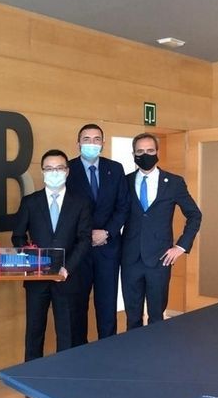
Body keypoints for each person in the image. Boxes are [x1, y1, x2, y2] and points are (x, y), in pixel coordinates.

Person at [11, 149, 92, 367]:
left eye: (59, 168)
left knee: (67, 332)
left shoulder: (81, 202)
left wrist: (67, 268)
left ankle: (65, 376)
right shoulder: (30, 202)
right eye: (49, 168)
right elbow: (18, 236)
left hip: (67, 277)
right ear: (42, 172)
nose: (54, 172)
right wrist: (30, 260)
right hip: (37, 278)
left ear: (67, 171)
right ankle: (31, 377)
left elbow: (84, 239)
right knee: (34, 331)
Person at [121, 133, 202, 330]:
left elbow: (194, 215)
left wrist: (180, 246)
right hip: (130, 258)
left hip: (160, 259)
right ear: (133, 154)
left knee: (157, 316)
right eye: (140, 151)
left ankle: (156, 349)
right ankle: (134, 349)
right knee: (132, 316)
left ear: (157, 152)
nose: (145, 155)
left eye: (150, 150)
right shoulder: (124, 182)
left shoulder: (174, 182)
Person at [66, 124, 129, 343]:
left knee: (107, 306)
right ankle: (78, 353)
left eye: (96, 139)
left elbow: (123, 207)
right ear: (78, 143)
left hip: (108, 249)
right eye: (86, 139)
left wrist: (107, 232)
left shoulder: (115, 169)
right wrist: (86, 236)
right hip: (78, 251)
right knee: (77, 307)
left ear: (103, 143)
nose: (91, 143)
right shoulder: (67, 169)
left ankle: (108, 352)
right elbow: (64, 209)